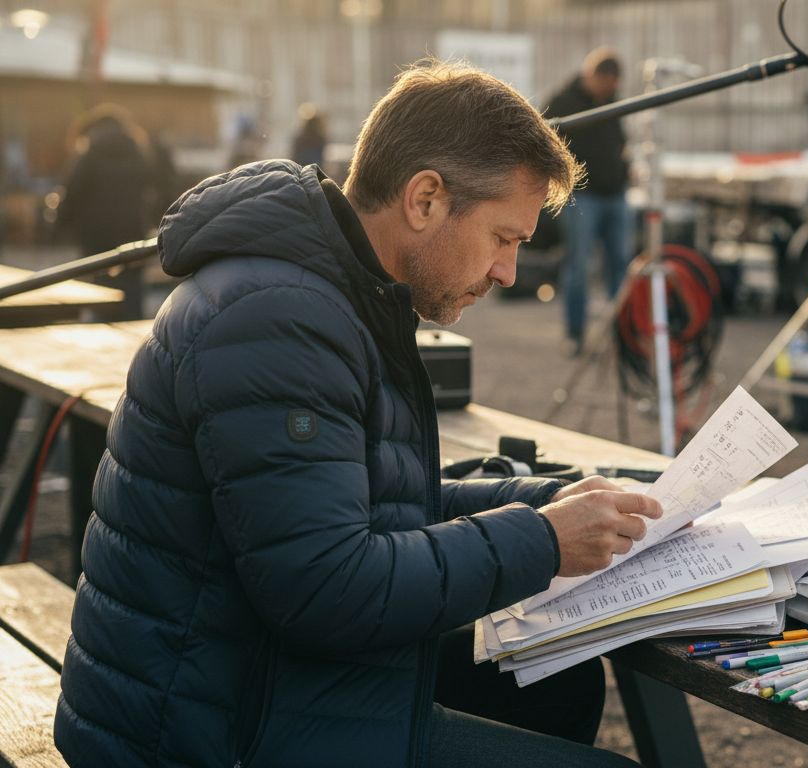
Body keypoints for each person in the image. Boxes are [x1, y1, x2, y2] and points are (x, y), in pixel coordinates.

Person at [54, 60, 660, 768]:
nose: (508, 274)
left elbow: (366, 502)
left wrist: (546, 501)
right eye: (504, 239)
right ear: (425, 199)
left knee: (557, 680)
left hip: (249, 677)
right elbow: (326, 587)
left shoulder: (330, 289)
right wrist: (542, 541)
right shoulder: (281, 317)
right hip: (203, 736)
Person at [545, 48, 633, 353]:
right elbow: (543, 140)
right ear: (593, 76)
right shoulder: (563, 102)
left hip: (616, 195)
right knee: (578, 266)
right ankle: (575, 335)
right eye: (606, 83)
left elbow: (621, 141)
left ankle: (622, 336)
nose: (610, 90)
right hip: (583, 197)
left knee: (620, 268)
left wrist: (623, 169)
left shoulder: (612, 101)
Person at [57, 104, 153, 317]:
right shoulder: (137, 149)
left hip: (97, 237)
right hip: (133, 233)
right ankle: (133, 336)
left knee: (101, 291)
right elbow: (151, 188)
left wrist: (59, 221)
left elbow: (71, 191)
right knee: (133, 291)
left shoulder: (89, 151)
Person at [292, 102, 328, 170]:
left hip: (302, 170)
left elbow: (295, 157)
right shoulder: (320, 138)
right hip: (314, 171)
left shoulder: (300, 138)